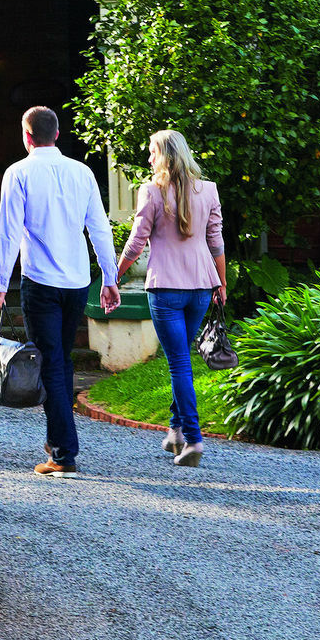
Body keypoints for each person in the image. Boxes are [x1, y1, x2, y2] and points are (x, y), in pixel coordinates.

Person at [0, 106, 122, 478]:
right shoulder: (83, 173)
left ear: (27, 136)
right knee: (59, 360)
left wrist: (0, 286)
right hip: (77, 281)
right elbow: (99, 227)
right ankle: (57, 443)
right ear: (57, 134)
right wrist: (109, 278)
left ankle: (63, 455)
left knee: (51, 364)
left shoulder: (19, 173)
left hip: (41, 282)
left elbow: (8, 232)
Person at [112, 129, 227, 468]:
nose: (148, 158)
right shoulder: (208, 190)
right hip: (202, 286)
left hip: (165, 288)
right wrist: (221, 282)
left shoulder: (151, 191)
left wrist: (114, 276)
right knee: (181, 358)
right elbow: (216, 242)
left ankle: (193, 440)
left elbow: (136, 242)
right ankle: (176, 430)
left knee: (178, 362)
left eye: (151, 152)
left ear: (163, 155)